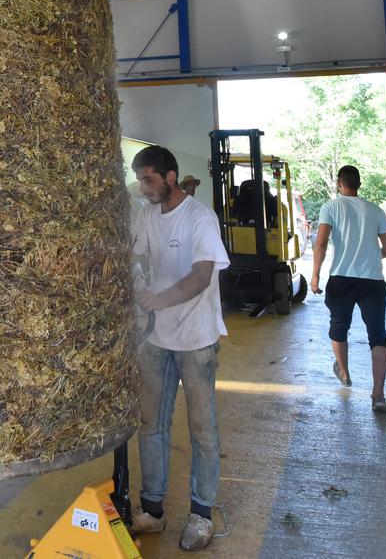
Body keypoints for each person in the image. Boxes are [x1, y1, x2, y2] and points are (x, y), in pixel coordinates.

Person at [129, 145, 231, 552]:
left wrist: (159, 299)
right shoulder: (146, 215)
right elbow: (134, 255)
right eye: (139, 180)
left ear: (171, 178)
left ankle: (201, 516)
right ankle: (152, 511)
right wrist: (134, 280)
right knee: (151, 423)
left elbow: (202, 276)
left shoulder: (199, 218)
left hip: (196, 340)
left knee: (202, 429)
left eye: (148, 179)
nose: (143, 187)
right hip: (156, 339)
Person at [310, 165, 386, 413]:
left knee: (339, 326)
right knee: (378, 334)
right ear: (359, 184)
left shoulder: (331, 207)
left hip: (342, 279)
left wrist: (314, 276)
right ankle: (378, 395)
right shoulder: (374, 209)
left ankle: (344, 373)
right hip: (372, 280)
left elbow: (321, 243)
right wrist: (370, 256)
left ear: (339, 183)